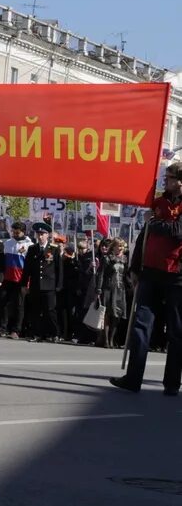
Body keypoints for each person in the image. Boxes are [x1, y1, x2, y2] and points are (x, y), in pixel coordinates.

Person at [111, 161, 182, 395]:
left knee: (176, 331)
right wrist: (134, 267)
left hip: (176, 276)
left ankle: (172, 383)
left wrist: (153, 221)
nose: (165, 180)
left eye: (170, 177)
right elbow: (144, 236)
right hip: (150, 272)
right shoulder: (157, 202)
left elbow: (177, 231)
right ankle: (133, 378)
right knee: (141, 325)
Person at [23, 221, 63, 342]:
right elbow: (27, 268)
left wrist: (59, 285)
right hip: (36, 285)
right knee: (35, 311)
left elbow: (59, 269)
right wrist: (24, 284)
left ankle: (55, 334)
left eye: (42, 234)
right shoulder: (32, 249)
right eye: (38, 234)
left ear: (47, 235)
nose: (40, 236)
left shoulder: (54, 249)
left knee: (50, 311)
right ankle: (37, 334)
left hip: (49, 285)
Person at [0, 221, 31, 338]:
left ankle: (16, 330)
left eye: (17, 232)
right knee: (4, 303)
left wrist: (28, 282)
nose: (14, 234)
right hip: (8, 278)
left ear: (23, 232)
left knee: (19, 305)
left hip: (21, 280)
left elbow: (29, 265)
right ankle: (3, 328)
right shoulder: (7, 243)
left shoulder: (29, 245)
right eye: (13, 231)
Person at [99, 238, 128, 349]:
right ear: (113, 247)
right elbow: (101, 274)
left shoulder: (125, 259)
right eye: (118, 246)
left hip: (120, 289)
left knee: (117, 315)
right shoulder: (107, 258)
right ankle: (106, 340)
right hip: (108, 289)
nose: (120, 248)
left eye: (121, 246)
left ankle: (112, 339)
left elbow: (126, 275)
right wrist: (98, 289)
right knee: (107, 314)